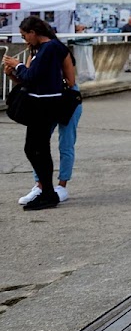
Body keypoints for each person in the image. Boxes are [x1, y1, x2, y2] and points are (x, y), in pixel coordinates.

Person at [3, 17, 77, 211]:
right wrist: (14, 72)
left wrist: (17, 65)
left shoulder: (50, 48)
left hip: (46, 105)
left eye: (25, 35)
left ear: (33, 32)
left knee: (41, 148)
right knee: (36, 148)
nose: (25, 40)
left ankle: (49, 192)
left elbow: (32, 75)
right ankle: (46, 190)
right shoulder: (46, 49)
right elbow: (30, 78)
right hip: (42, 104)